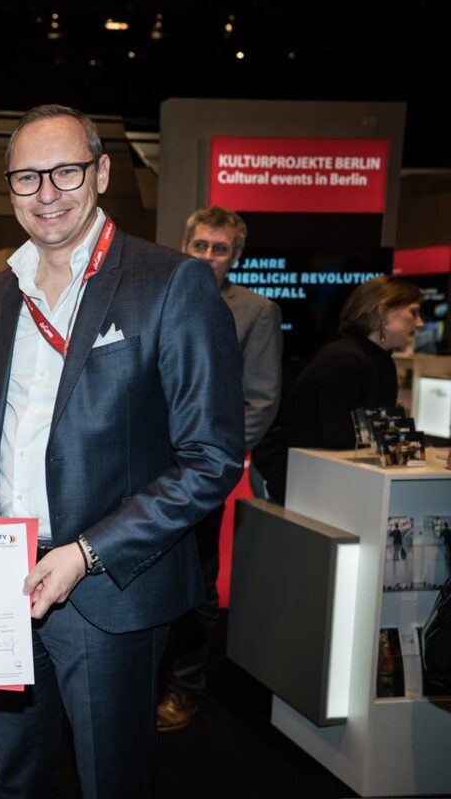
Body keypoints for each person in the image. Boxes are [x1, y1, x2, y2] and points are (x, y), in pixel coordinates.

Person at [0, 104, 244, 798]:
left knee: (111, 781)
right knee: (17, 776)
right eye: (27, 177)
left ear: (103, 172)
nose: (46, 192)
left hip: (108, 588)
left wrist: (85, 554)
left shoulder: (170, 282)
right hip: (5, 576)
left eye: (65, 171)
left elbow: (210, 459)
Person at [157, 206, 283, 731]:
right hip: (146, 474)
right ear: (185, 246)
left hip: (201, 481)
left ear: (236, 256)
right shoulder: (156, 294)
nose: (208, 256)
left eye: (220, 248)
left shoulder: (256, 312)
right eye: (200, 246)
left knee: (199, 589)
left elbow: (261, 401)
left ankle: (184, 688)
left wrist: (212, 466)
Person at [253, 276, 423, 502]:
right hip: (290, 477)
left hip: (321, 477)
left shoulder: (381, 362)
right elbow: (338, 435)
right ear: (383, 312)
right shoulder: (345, 358)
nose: (420, 323)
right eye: (413, 313)